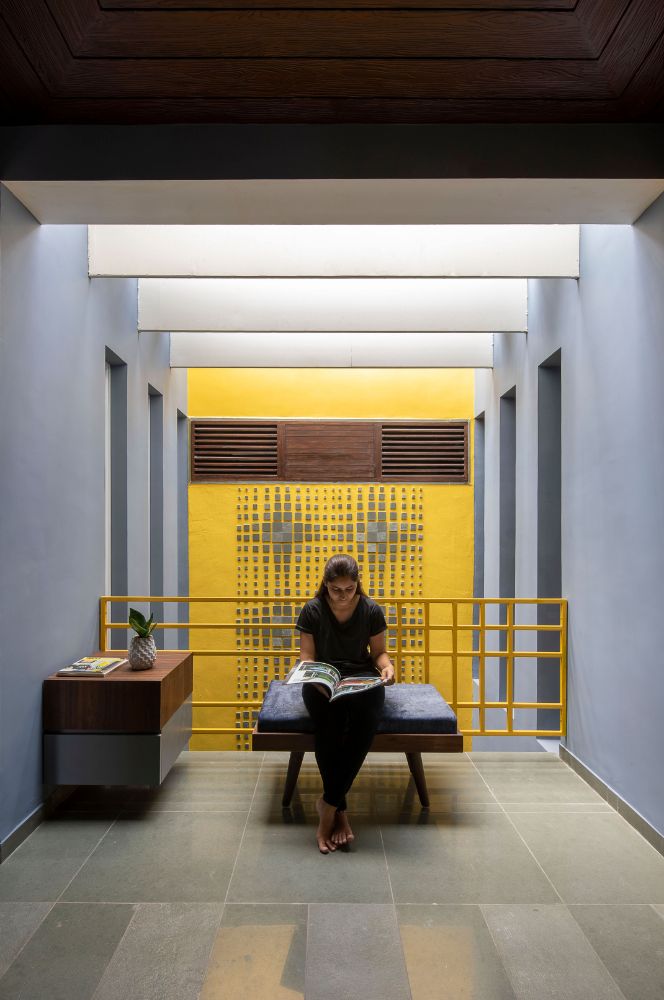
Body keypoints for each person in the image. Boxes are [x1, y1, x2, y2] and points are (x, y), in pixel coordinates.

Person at [295, 553, 395, 853]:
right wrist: (316, 679)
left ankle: (328, 804)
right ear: (325, 585)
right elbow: (307, 659)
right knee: (330, 726)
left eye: (349, 589)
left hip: (361, 677)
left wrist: (387, 668)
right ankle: (339, 811)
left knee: (365, 721)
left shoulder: (371, 610)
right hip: (321, 680)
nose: (342, 596)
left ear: (357, 584)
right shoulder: (312, 610)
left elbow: (378, 654)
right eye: (336, 590)